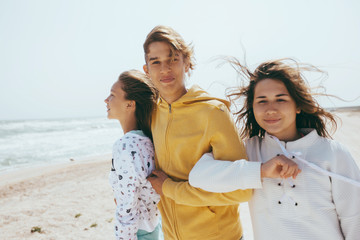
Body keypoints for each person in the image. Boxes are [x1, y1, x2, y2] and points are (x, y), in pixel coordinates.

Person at [142, 25, 300, 240]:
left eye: (173, 59)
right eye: (156, 61)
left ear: (187, 63)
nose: (165, 69)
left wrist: (170, 189)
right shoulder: (151, 114)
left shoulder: (212, 112)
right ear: (146, 69)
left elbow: (240, 190)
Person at [189, 58, 360, 240]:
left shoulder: (333, 153)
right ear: (252, 108)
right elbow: (198, 176)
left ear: (298, 106)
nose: (270, 109)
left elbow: (354, 220)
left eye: (281, 99)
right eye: (262, 101)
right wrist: (261, 171)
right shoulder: (249, 150)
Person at [105, 70, 163, 240]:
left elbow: (127, 208)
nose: (106, 100)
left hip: (138, 233)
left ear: (130, 104)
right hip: (154, 227)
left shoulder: (125, 146)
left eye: (112, 95)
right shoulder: (147, 140)